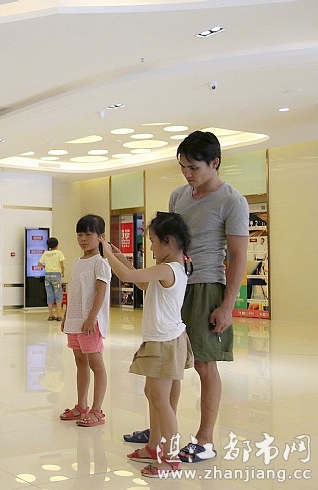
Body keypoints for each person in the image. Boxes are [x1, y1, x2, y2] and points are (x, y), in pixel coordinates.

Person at [123, 131, 249, 463]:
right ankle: (161, 432)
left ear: (214, 163)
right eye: (183, 166)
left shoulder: (232, 201)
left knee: (204, 364)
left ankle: (204, 440)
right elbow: (168, 243)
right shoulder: (178, 196)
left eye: (193, 167)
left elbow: (238, 257)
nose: (187, 174)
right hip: (173, 284)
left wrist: (227, 305)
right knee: (169, 363)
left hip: (206, 285)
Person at [100, 212, 194, 477]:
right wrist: (119, 256)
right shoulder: (173, 268)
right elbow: (142, 282)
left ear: (169, 242)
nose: (150, 248)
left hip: (164, 342)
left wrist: (106, 252)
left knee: (160, 399)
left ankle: (171, 457)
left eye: (152, 242)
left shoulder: (168, 268)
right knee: (155, 395)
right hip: (166, 339)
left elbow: (127, 276)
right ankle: (154, 446)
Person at [59, 214, 111, 427]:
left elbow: (100, 292)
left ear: (100, 236)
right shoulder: (77, 262)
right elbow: (75, 291)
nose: (83, 239)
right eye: (80, 234)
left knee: (96, 365)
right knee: (80, 362)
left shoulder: (101, 263)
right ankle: (82, 406)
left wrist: (91, 317)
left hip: (91, 323)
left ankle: (97, 410)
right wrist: (66, 315)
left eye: (88, 234)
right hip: (75, 320)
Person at [39, 236, 65, 321]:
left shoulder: (45, 253)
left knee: (49, 295)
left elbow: (39, 264)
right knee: (58, 294)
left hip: (47, 276)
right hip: (56, 276)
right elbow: (62, 265)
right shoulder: (59, 253)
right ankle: (59, 315)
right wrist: (63, 272)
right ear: (57, 244)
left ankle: (50, 315)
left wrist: (45, 267)